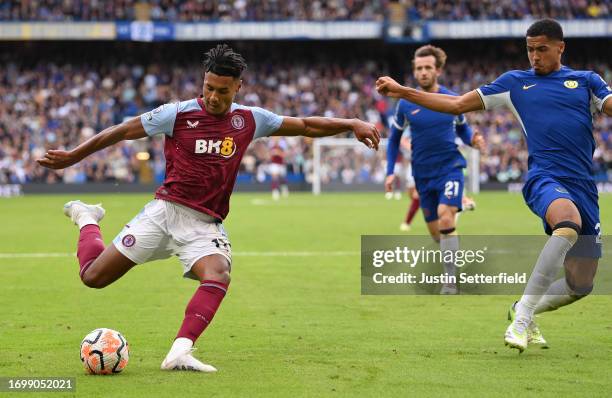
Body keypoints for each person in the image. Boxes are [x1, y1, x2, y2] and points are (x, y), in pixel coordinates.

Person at [37, 44, 380, 371]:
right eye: (209, 87)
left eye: (223, 91)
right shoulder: (177, 113)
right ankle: (86, 217)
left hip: (204, 225)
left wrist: (350, 124)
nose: (214, 96)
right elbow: (123, 130)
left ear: (238, 88)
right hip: (164, 213)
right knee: (93, 277)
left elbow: (305, 125)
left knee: (218, 273)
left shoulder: (250, 120)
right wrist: (73, 156)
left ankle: (180, 351)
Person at [376, 19, 612, 352]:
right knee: (567, 223)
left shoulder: (586, 81)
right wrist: (402, 91)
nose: (534, 56)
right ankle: (521, 321)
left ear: (561, 47)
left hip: (585, 187)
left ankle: (522, 309)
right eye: (529, 49)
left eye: (541, 49)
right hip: (545, 177)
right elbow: (456, 104)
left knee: (581, 284)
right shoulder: (515, 83)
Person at [385, 45, 485, 294]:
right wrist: (390, 171)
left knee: (445, 216)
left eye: (428, 67)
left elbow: (463, 129)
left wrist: (473, 139)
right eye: (418, 68)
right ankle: (458, 209)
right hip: (422, 173)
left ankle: (450, 281)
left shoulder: (453, 99)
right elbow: (394, 140)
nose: (423, 72)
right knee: (437, 233)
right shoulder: (405, 104)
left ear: (438, 70)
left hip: (450, 166)